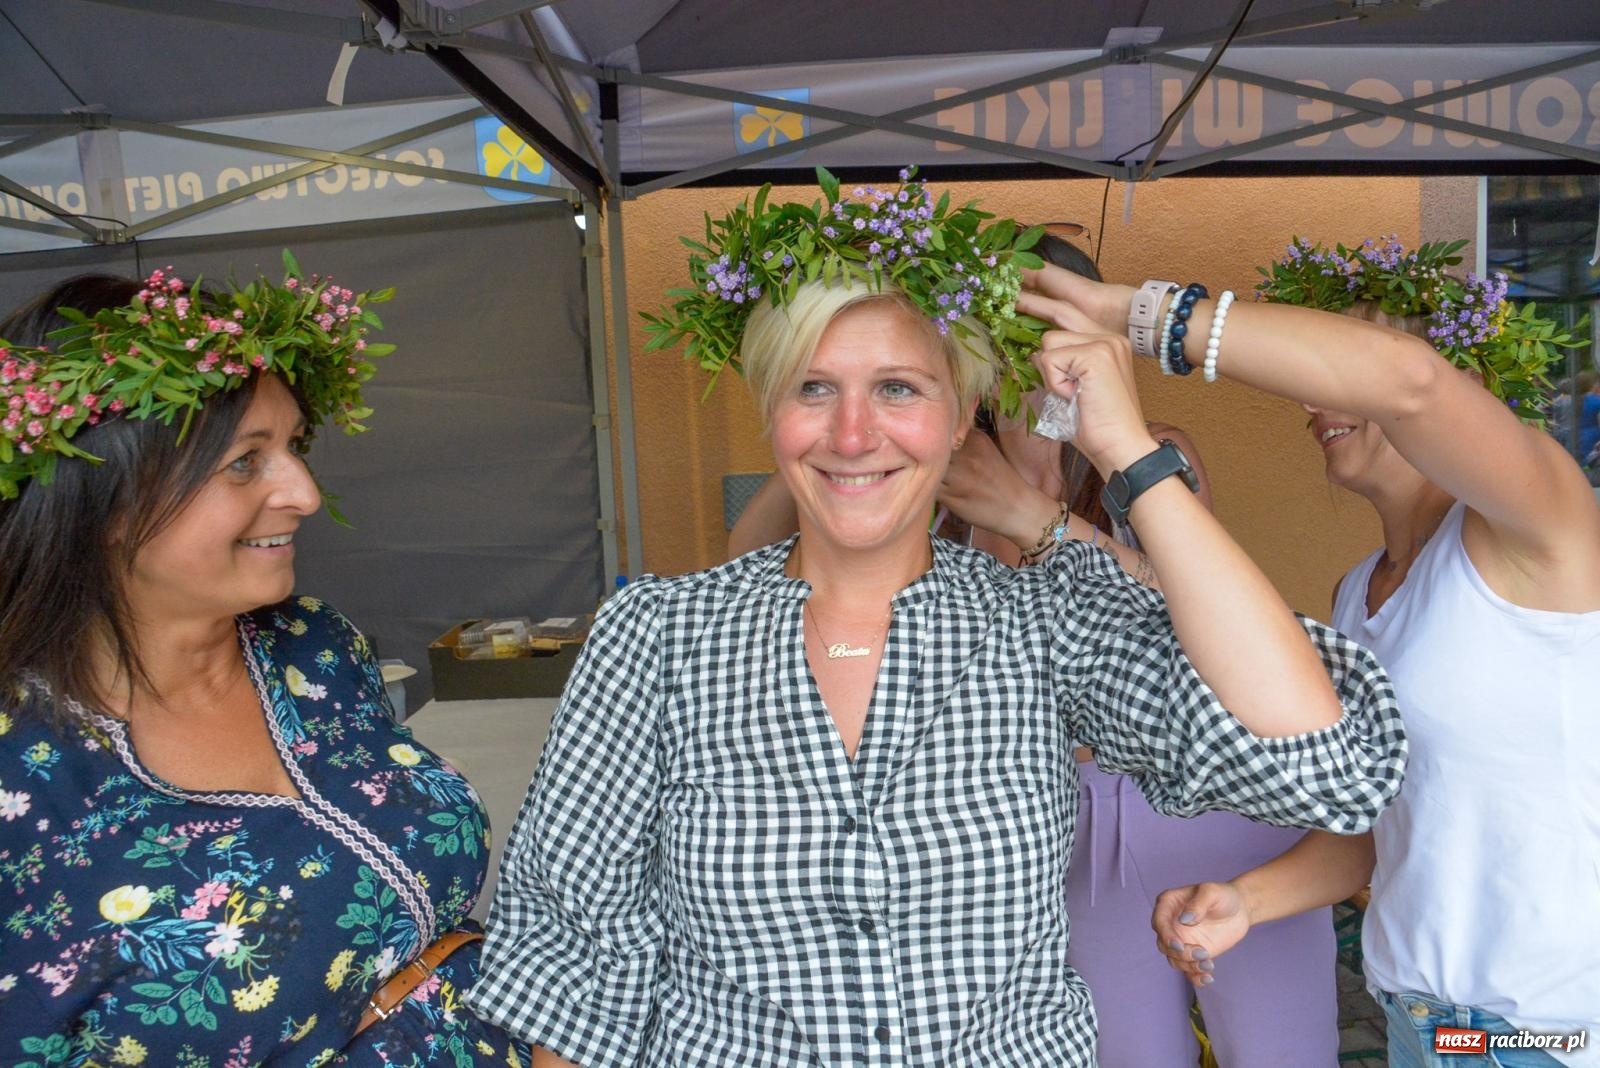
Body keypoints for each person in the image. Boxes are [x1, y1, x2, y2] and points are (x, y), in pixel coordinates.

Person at [467, 169, 1406, 1067]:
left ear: (962, 415)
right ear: (771, 410)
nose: (852, 433)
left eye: (899, 388)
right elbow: (577, 956)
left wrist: (1123, 445)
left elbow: (1320, 763)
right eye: (812, 387)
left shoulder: (1044, 616)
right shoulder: (656, 638)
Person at [729, 232, 1342, 1067]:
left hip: (1204, 803)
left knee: (1281, 1051)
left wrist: (1033, 512)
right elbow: (742, 566)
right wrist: (831, 413)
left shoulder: (1148, 451)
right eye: (988, 332)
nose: (1020, 360)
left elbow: (1198, 616)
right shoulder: (930, 462)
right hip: (1056, 814)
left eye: (1038, 332)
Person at [1020, 236, 1600, 1066]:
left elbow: (1407, 380)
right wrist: (1246, 900)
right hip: (1427, 1025)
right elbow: (1379, 827)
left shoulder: (1543, 530)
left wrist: (1130, 314)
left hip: (1554, 1038)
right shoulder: (1360, 592)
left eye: (1331, 369)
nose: (1309, 403)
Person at [0, 263, 528, 1066]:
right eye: (246, 461)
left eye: (292, 447)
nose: (305, 493)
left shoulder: (316, 647)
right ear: (104, 495)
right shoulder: (23, 779)